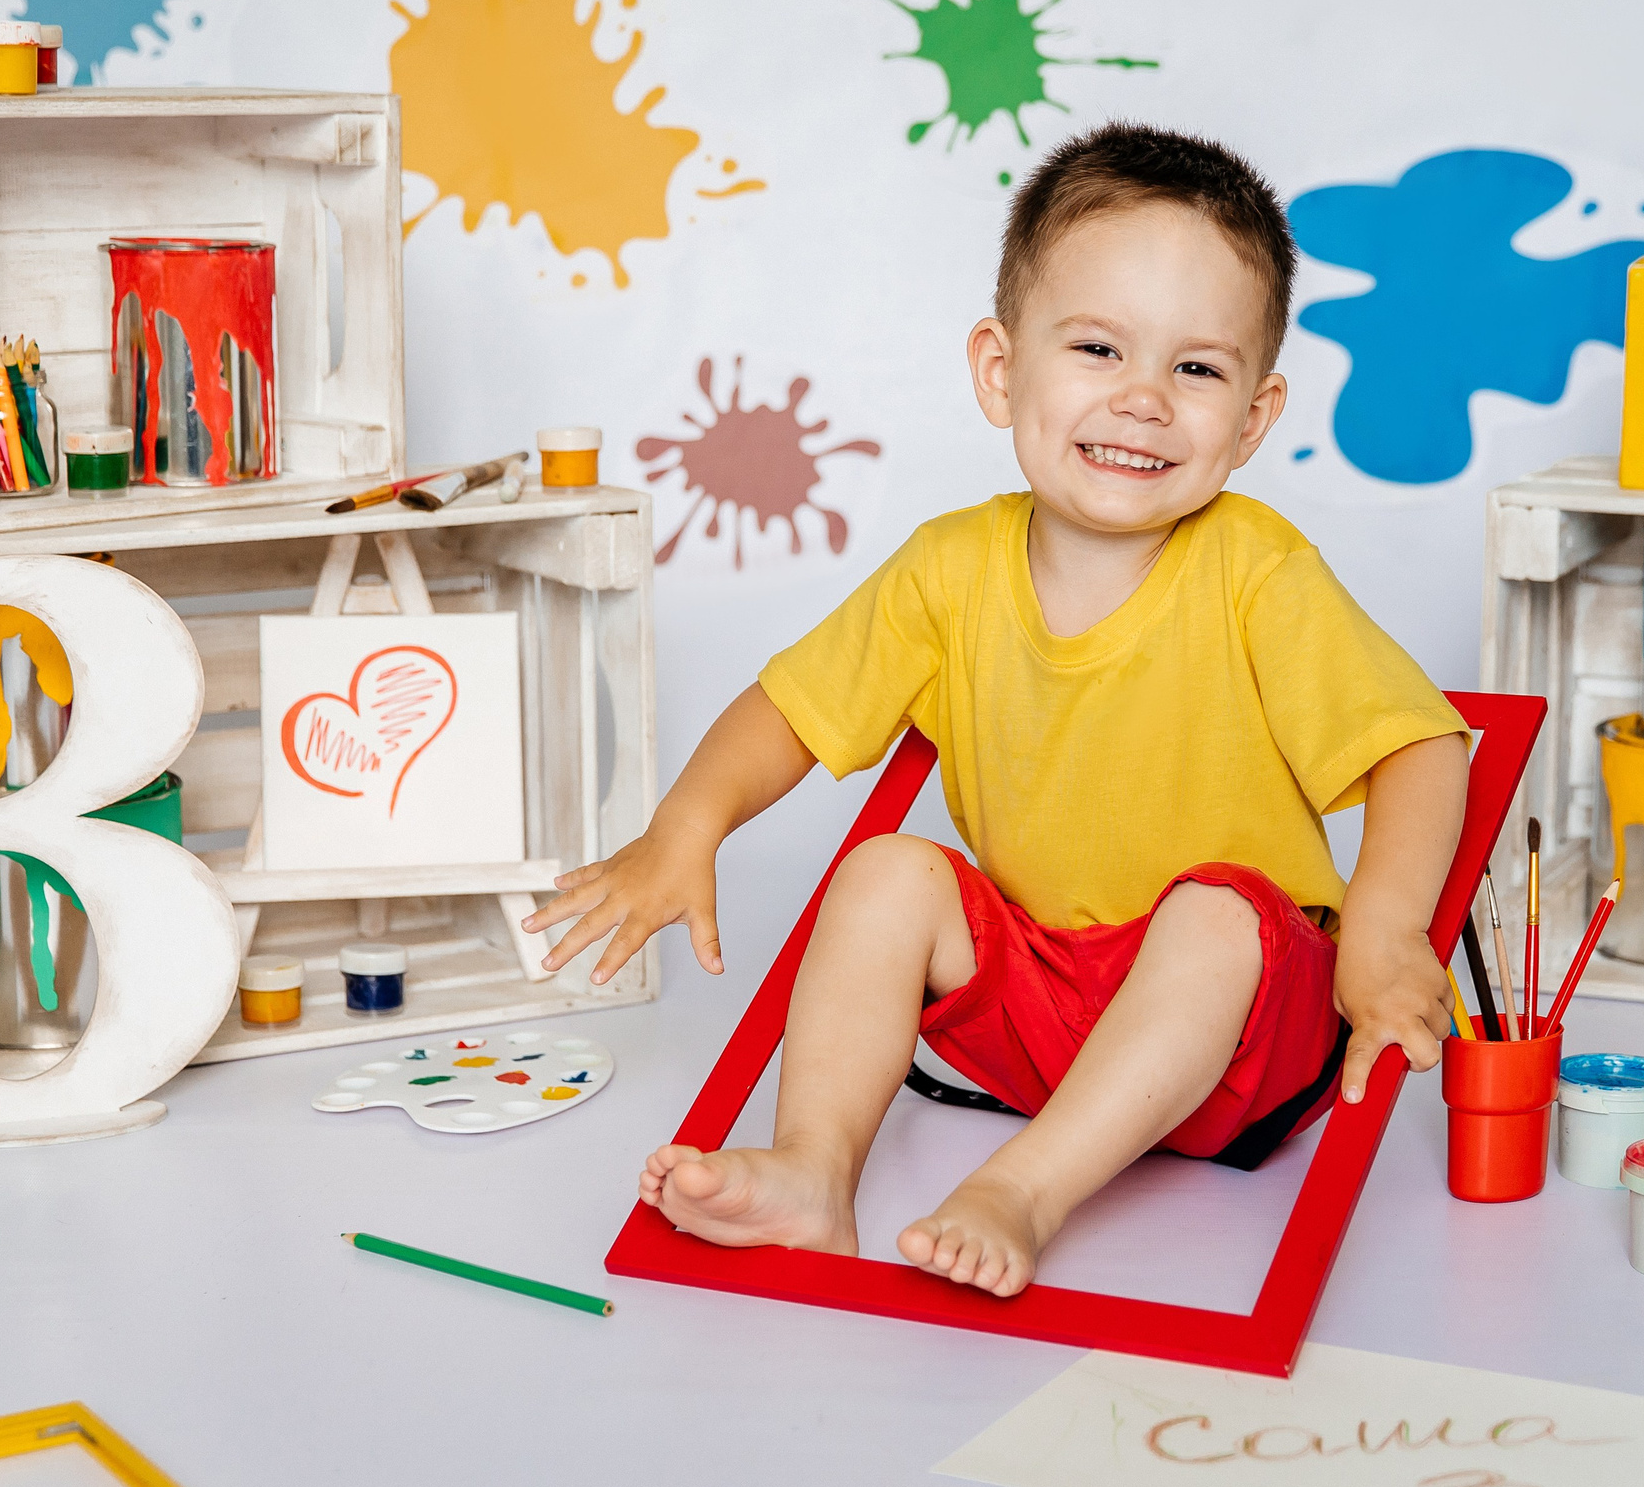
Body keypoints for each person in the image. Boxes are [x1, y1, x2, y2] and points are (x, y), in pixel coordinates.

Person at [526, 123, 1471, 1297]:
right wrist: (687, 828)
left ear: (1253, 420)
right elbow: (791, 707)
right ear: (999, 369)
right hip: (1054, 1017)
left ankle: (1023, 1189)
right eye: (1096, 348)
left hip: (1240, 1039)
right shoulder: (948, 569)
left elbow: (1422, 746)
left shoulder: (1257, 571)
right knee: (884, 869)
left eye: (1196, 369)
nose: (1141, 401)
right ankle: (814, 1170)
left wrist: (1380, 934)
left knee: (1216, 910)